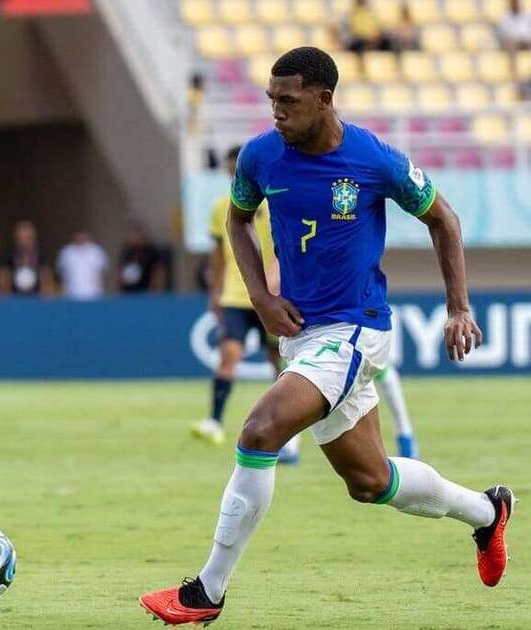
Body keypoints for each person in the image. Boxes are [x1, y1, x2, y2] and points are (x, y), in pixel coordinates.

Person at [141, 47, 512, 625]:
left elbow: (445, 218)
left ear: (324, 99)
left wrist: (458, 306)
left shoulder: (371, 158)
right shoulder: (263, 157)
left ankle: (206, 593)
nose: (276, 113)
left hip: (356, 330)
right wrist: (261, 298)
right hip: (301, 335)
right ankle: (487, 513)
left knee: (260, 430)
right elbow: (239, 220)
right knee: (371, 481)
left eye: (287, 102)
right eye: (270, 101)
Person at [193, 145, 300, 463]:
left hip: (270, 296)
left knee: (278, 365)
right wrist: (215, 291)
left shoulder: (274, 202)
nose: (232, 173)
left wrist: (279, 278)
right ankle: (214, 421)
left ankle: (288, 438)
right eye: (229, 169)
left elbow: (289, 245)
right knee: (228, 356)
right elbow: (218, 254)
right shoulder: (220, 207)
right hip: (235, 295)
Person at [0, 220, 53, 296]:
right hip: (14, 302)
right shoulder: (8, 259)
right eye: (21, 239)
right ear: (16, 239)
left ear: (33, 239)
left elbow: (47, 288)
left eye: (28, 238)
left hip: (36, 301)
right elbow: (3, 288)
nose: (24, 242)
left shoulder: (42, 258)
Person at [56, 231, 108, 300]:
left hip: (93, 293)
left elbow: (102, 271)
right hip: (71, 293)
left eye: (83, 236)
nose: (81, 238)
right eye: (79, 236)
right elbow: (60, 272)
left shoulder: (96, 251)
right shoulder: (66, 252)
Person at [117, 223, 166, 293]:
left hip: (146, 292)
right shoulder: (127, 252)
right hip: (129, 292)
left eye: (136, 235)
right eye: (131, 235)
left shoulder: (152, 251)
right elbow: (120, 271)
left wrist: (155, 289)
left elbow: (158, 271)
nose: (133, 238)